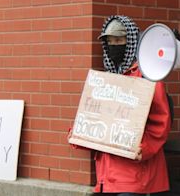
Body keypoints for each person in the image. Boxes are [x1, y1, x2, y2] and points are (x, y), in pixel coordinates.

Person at [72, 15, 171, 195]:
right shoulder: (104, 81)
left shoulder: (147, 77)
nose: (113, 46)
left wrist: (144, 148)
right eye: (109, 41)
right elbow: (97, 119)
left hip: (135, 177)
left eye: (118, 40)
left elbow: (161, 122)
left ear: (131, 41)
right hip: (107, 178)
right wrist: (80, 132)